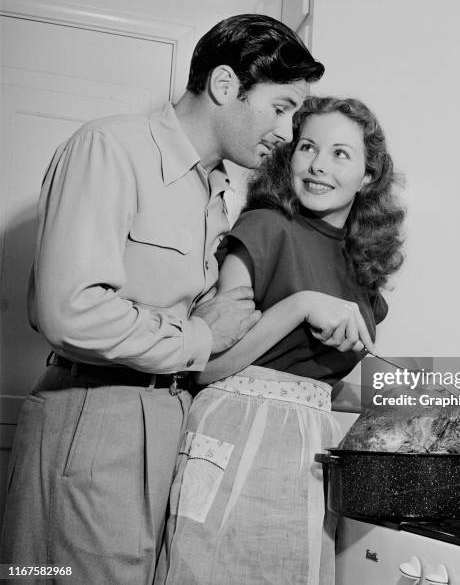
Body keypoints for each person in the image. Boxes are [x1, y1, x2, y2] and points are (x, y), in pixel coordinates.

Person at [0, 14, 329, 585]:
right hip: (94, 412)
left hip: (166, 417)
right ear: (226, 86)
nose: (286, 129)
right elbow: (68, 309)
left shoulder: (216, 191)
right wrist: (203, 336)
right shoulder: (110, 146)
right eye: (281, 107)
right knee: (55, 576)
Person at [155, 96, 405, 585]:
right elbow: (206, 365)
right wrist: (299, 304)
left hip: (309, 452)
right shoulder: (265, 227)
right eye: (307, 146)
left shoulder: (362, 270)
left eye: (340, 154)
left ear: (369, 176)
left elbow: (312, 382)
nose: (317, 165)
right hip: (236, 431)